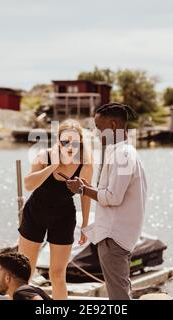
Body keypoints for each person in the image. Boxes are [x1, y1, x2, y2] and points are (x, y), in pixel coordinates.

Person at [66, 103, 147, 300]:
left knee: (118, 296)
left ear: (112, 126)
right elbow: (111, 192)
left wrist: (83, 190)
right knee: (119, 290)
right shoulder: (124, 151)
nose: (95, 132)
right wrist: (89, 187)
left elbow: (113, 197)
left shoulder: (122, 155)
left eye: (98, 127)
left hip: (114, 236)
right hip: (118, 234)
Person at [18, 119, 93, 300]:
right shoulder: (44, 156)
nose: (69, 146)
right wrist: (52, 166)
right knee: (24, 272)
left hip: (63, 217)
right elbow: (28, 185)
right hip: (35, 213)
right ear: (58, 141)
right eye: (65, 141)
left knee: (57, 275)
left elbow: (85, 194)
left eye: (74, 142)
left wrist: (85, 224)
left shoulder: (85, 164)